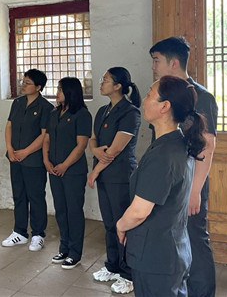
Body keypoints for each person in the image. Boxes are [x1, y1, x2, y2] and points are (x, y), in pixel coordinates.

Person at [116, 76, 207, 297]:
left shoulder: (164, 154)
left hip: (156, 257)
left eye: (149, 95)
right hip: (170, 249)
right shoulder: (176, 142)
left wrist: (120, 225)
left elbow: (139, 212)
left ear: (164, 107)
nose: (144, 100)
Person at [150, 36, 217, 297]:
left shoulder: (201, 97)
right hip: (168, 181)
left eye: (157, 61)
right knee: (174, 241)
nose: (153, 67)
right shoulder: (163, 96)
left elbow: (207, 146)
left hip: (189, 184)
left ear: (174, 63)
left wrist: (195, 191)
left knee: (195, 241)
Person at [87, 67, 141, 294]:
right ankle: (112, 265)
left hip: (119, 175)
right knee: (109, 223)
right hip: (104, 174)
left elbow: (116, 150)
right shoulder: (103, 110)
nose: (101, 83)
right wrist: (95, 150)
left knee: (123, 224)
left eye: (106, 80)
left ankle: (128, 274)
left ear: (118, 86)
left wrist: (95, 171)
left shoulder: (130, 112)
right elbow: (93, 139)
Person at [2, 69, 54, 251]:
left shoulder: (46, 107)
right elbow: (9, 126)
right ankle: (20, 232)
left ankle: (38, 234)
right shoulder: (17, 103)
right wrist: (10, 148)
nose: (22, 85)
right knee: (19, 195)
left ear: (38, 87)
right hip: (15, 157)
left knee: (36, 196)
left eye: (27, 83)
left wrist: (26, 151)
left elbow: (44, 135)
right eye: (22, 82)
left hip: (33, 160)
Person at [43, 77, 92, 269]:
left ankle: (75, 253)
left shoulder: (82, 114)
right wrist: (46, 160)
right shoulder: (54, 113)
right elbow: (46, 139)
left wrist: (64, 165)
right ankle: (63, 248)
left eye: (60, 89)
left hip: (73, 172)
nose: (57, 93)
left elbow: (81, 145)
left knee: (73, 211)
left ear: (71, 92)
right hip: (54, 170)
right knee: (61, 210)